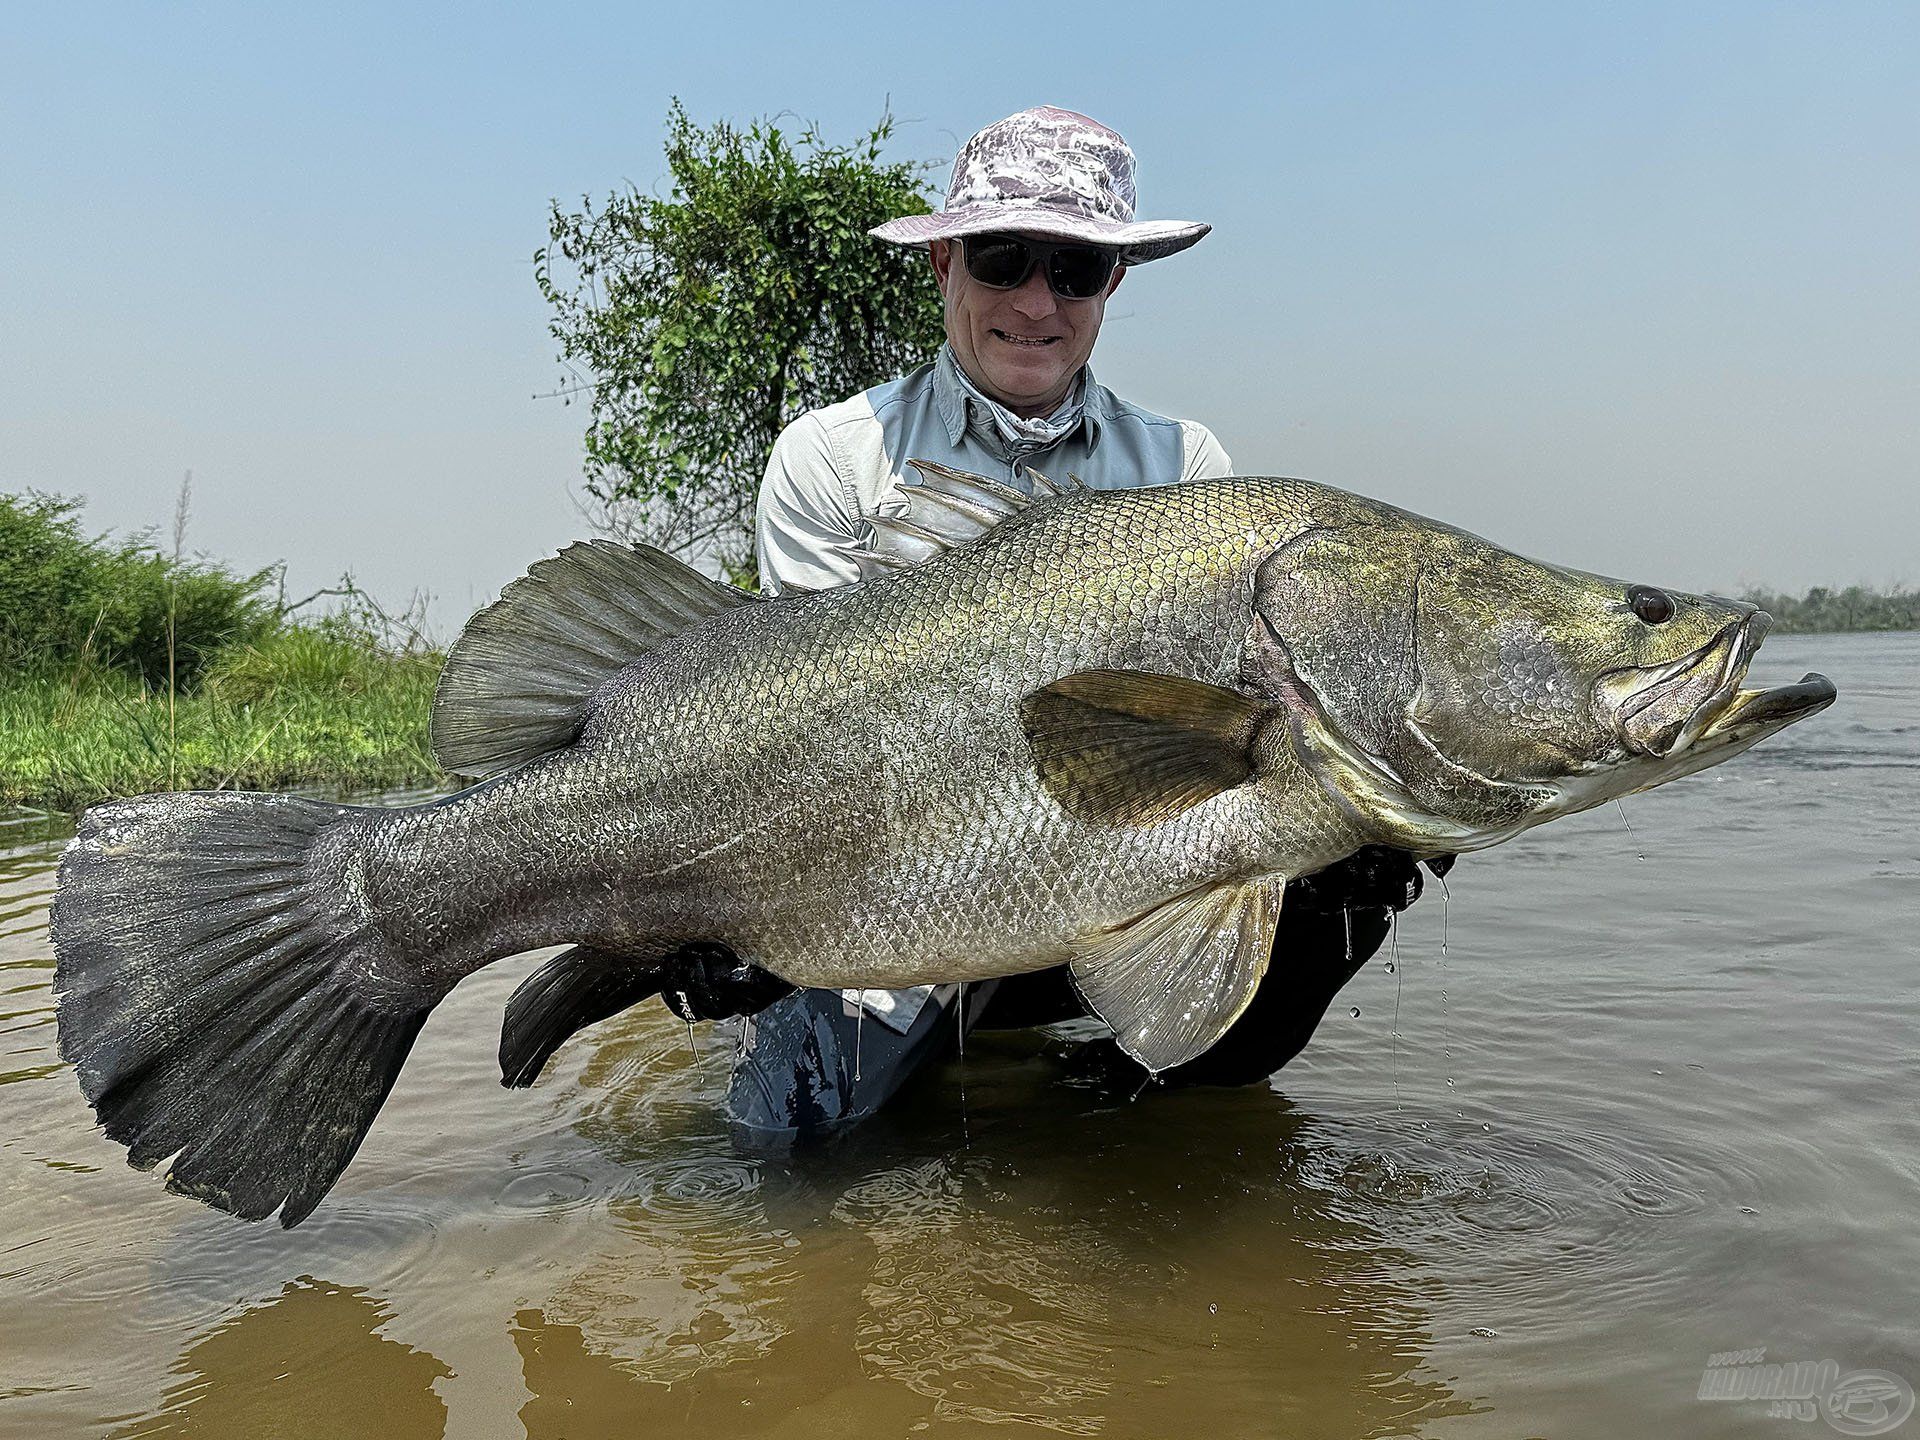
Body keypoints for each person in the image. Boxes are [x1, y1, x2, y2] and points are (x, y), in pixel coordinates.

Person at [726, 106, 1431, 1143]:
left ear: (1114, 288)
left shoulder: (1186, 471)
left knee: (1341, 845)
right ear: (943, 267)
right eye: (1003, 258)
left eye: (1075, 269)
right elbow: (815, 752)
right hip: (886, 900)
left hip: (1109, 886)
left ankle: (1128, 1089)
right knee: (791, 1161)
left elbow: (1215, 769)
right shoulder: (834, 461)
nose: (1034, 302)